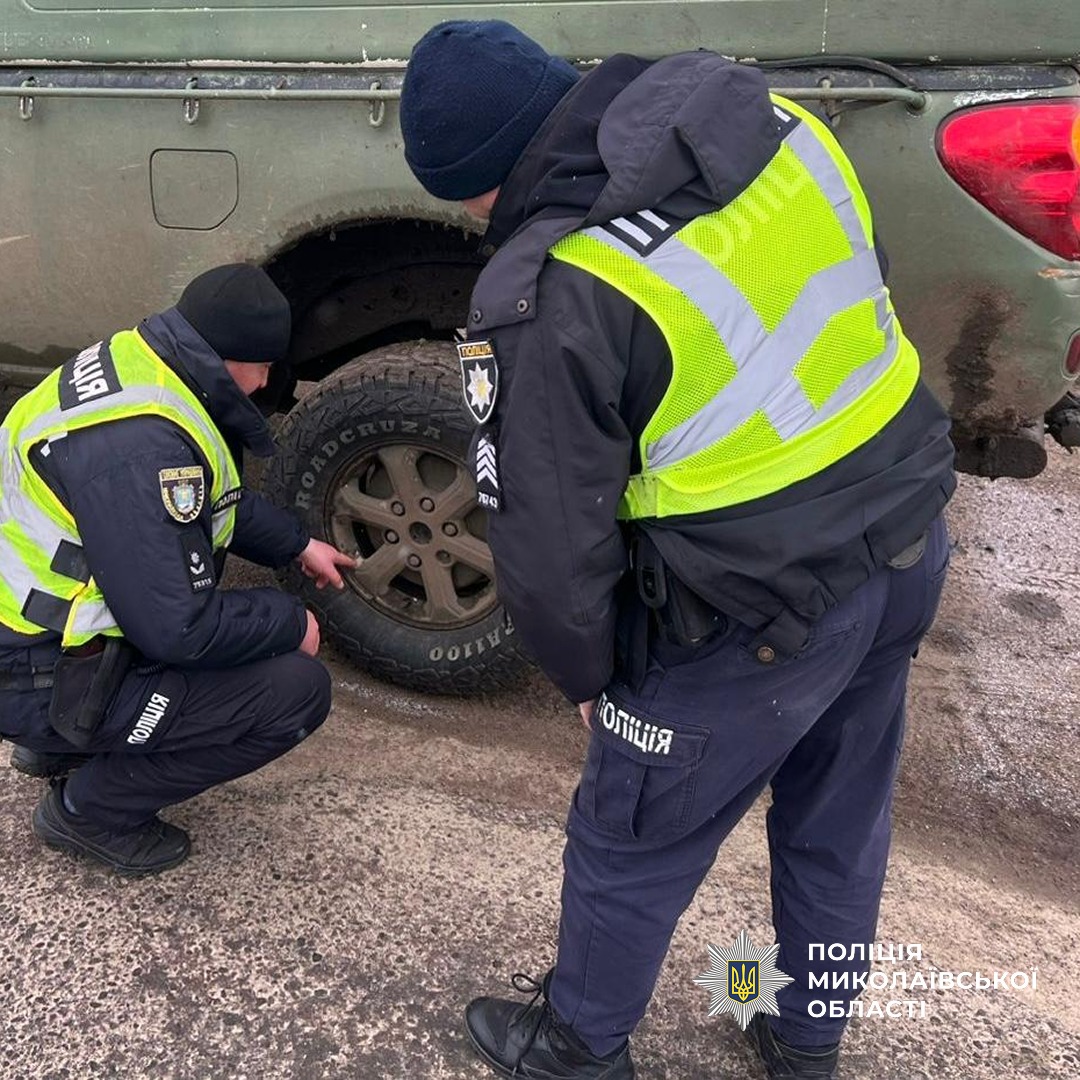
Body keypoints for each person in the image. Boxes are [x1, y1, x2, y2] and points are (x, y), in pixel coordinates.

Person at [400, 21, 956, 1080]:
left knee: (631, 835)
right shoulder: (774, 123)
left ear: (482, 184)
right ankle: (804, 1043)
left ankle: (578, 1045)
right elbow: (855, 284)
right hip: (905, 533)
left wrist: (588, 676)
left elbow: (548, 538)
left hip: (755, 614)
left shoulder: (559, 288)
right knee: (839, 820)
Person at [0, 263, 357, 877]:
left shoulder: (144, 365)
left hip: (27, 638)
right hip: (31, 670)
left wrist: (297, 544)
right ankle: (87, 810)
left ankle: (55, 744)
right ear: (231, 357)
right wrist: (287, 619)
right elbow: (178, 630)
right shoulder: (141, 450)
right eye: (265, 366)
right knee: (294, 693)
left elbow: (201, 496)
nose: (267, 381)